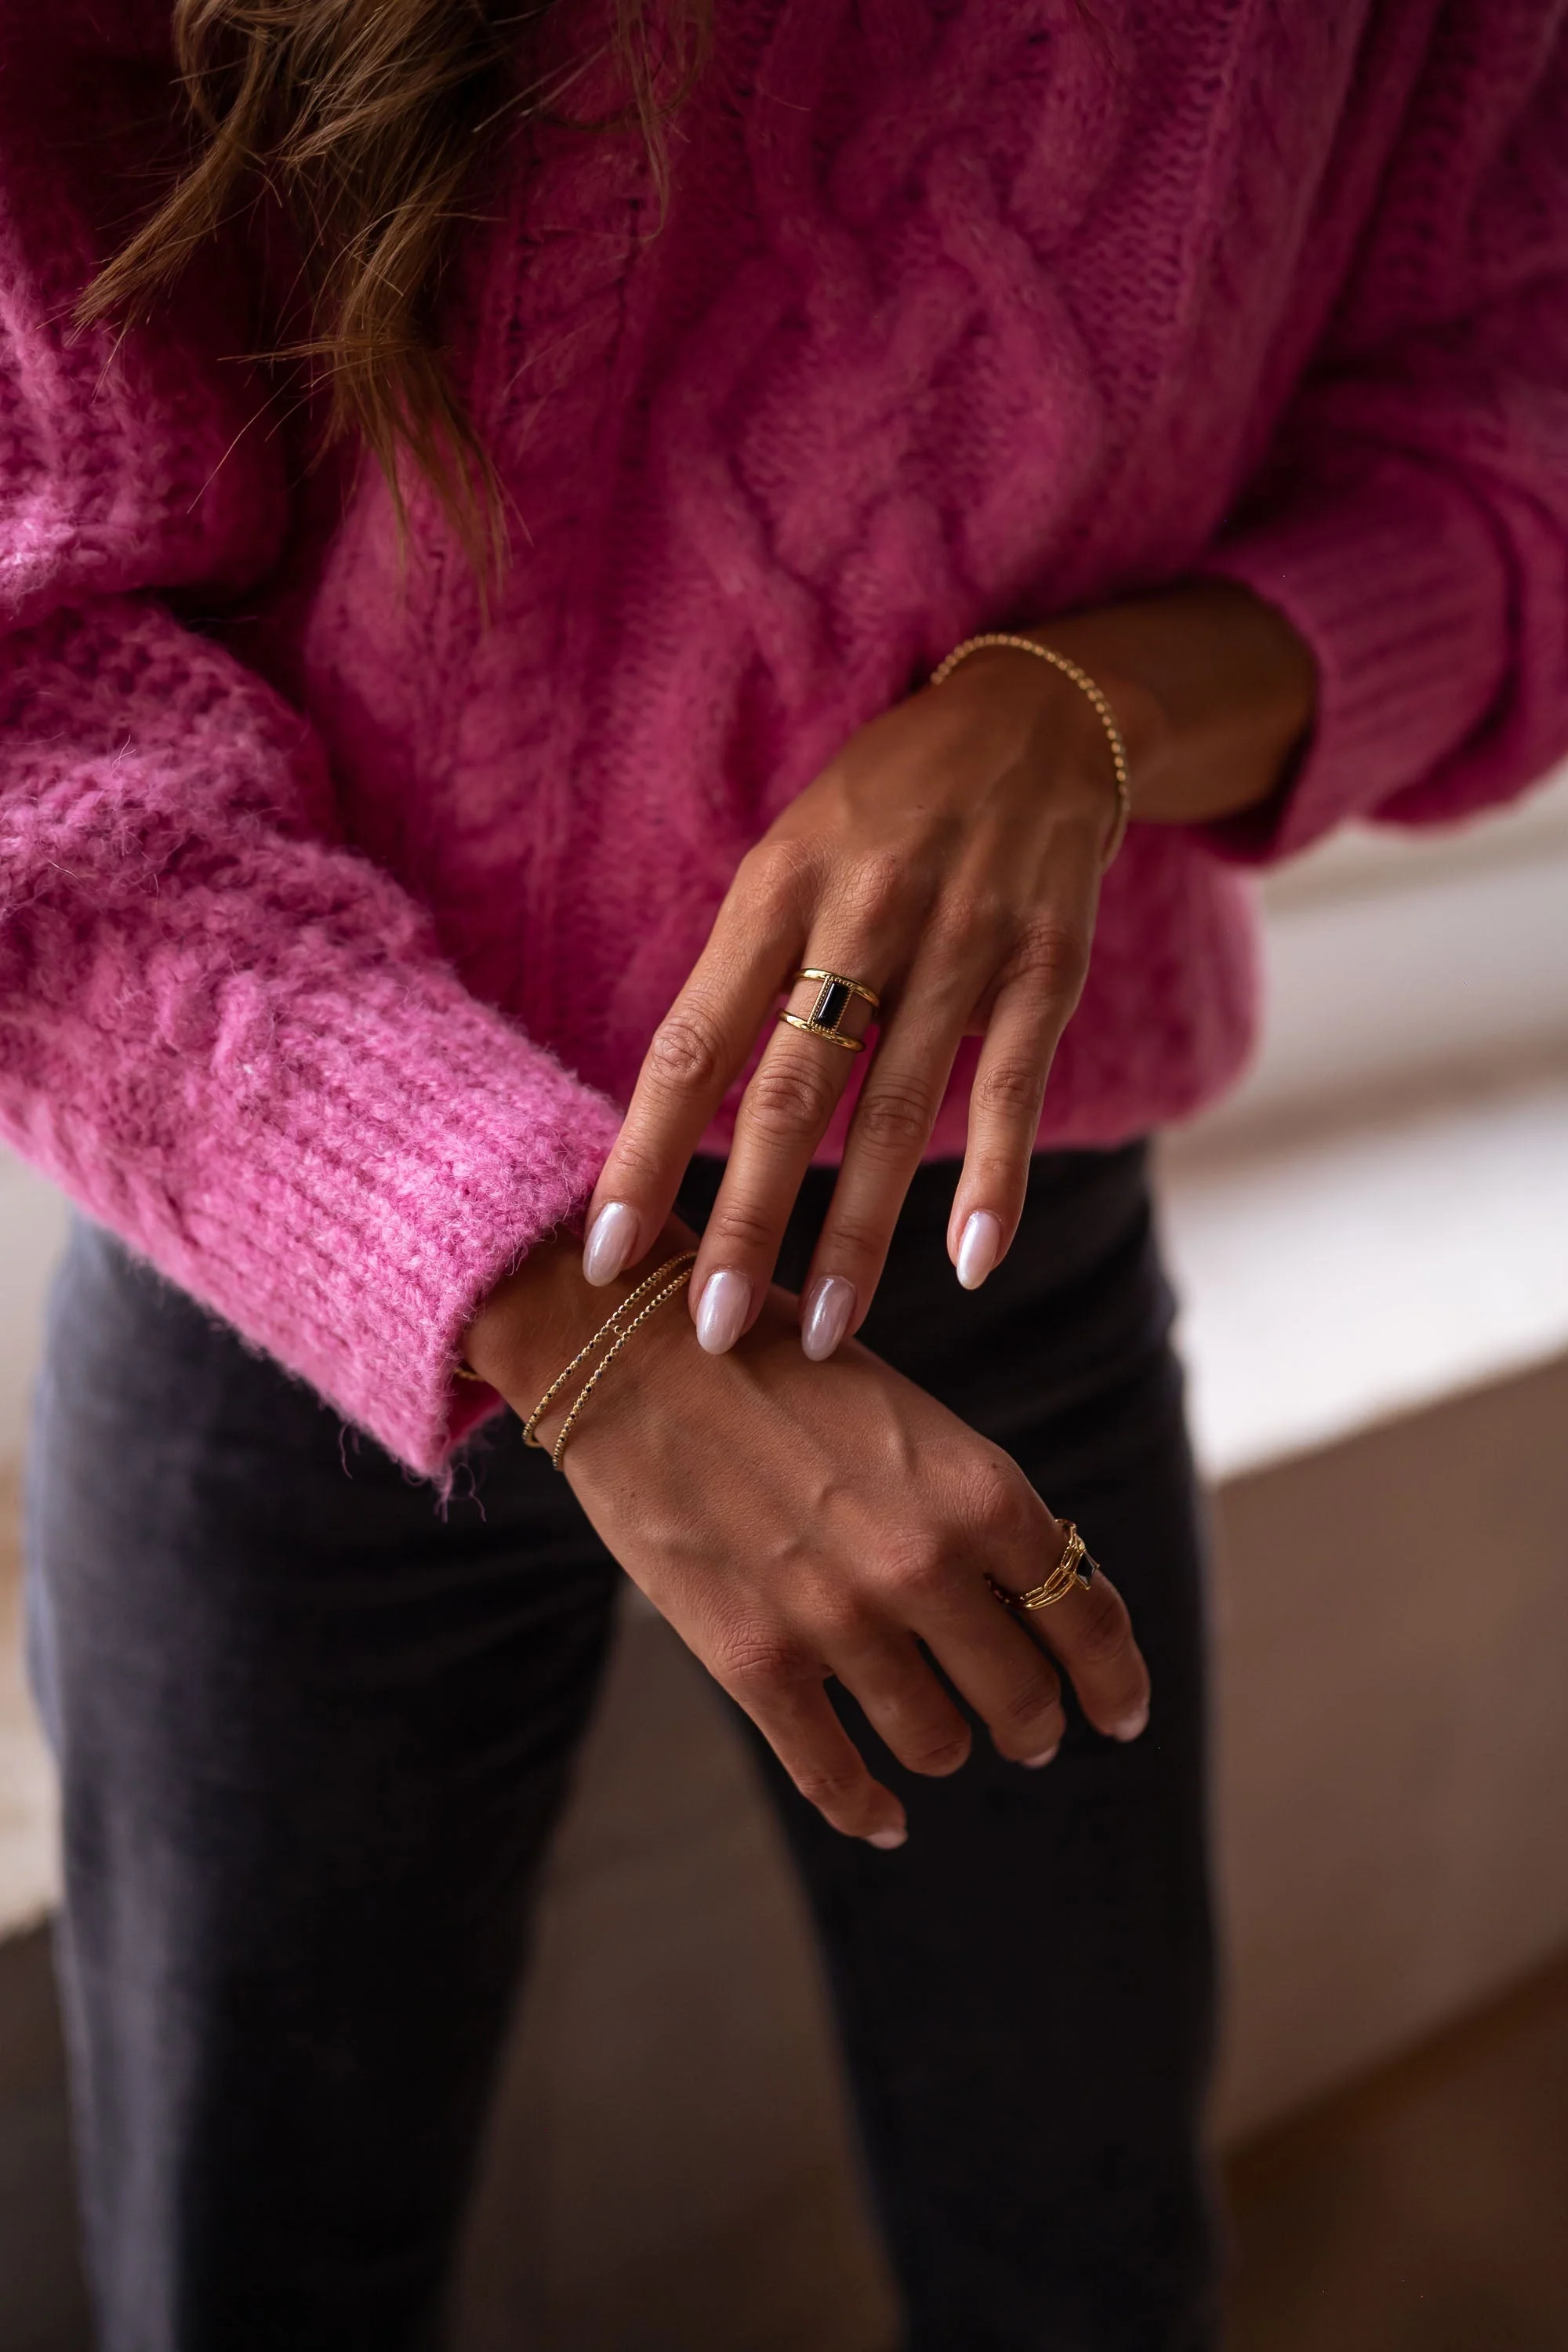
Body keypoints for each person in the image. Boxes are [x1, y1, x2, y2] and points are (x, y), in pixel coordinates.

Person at [3, 2, 1564, 2346]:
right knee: (252, 2285)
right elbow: (29, 687)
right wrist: (583, 1322)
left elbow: (1508, 455)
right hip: (304, 1251)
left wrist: (1079, 709)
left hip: (997, 1228)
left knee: (1087, 2262)